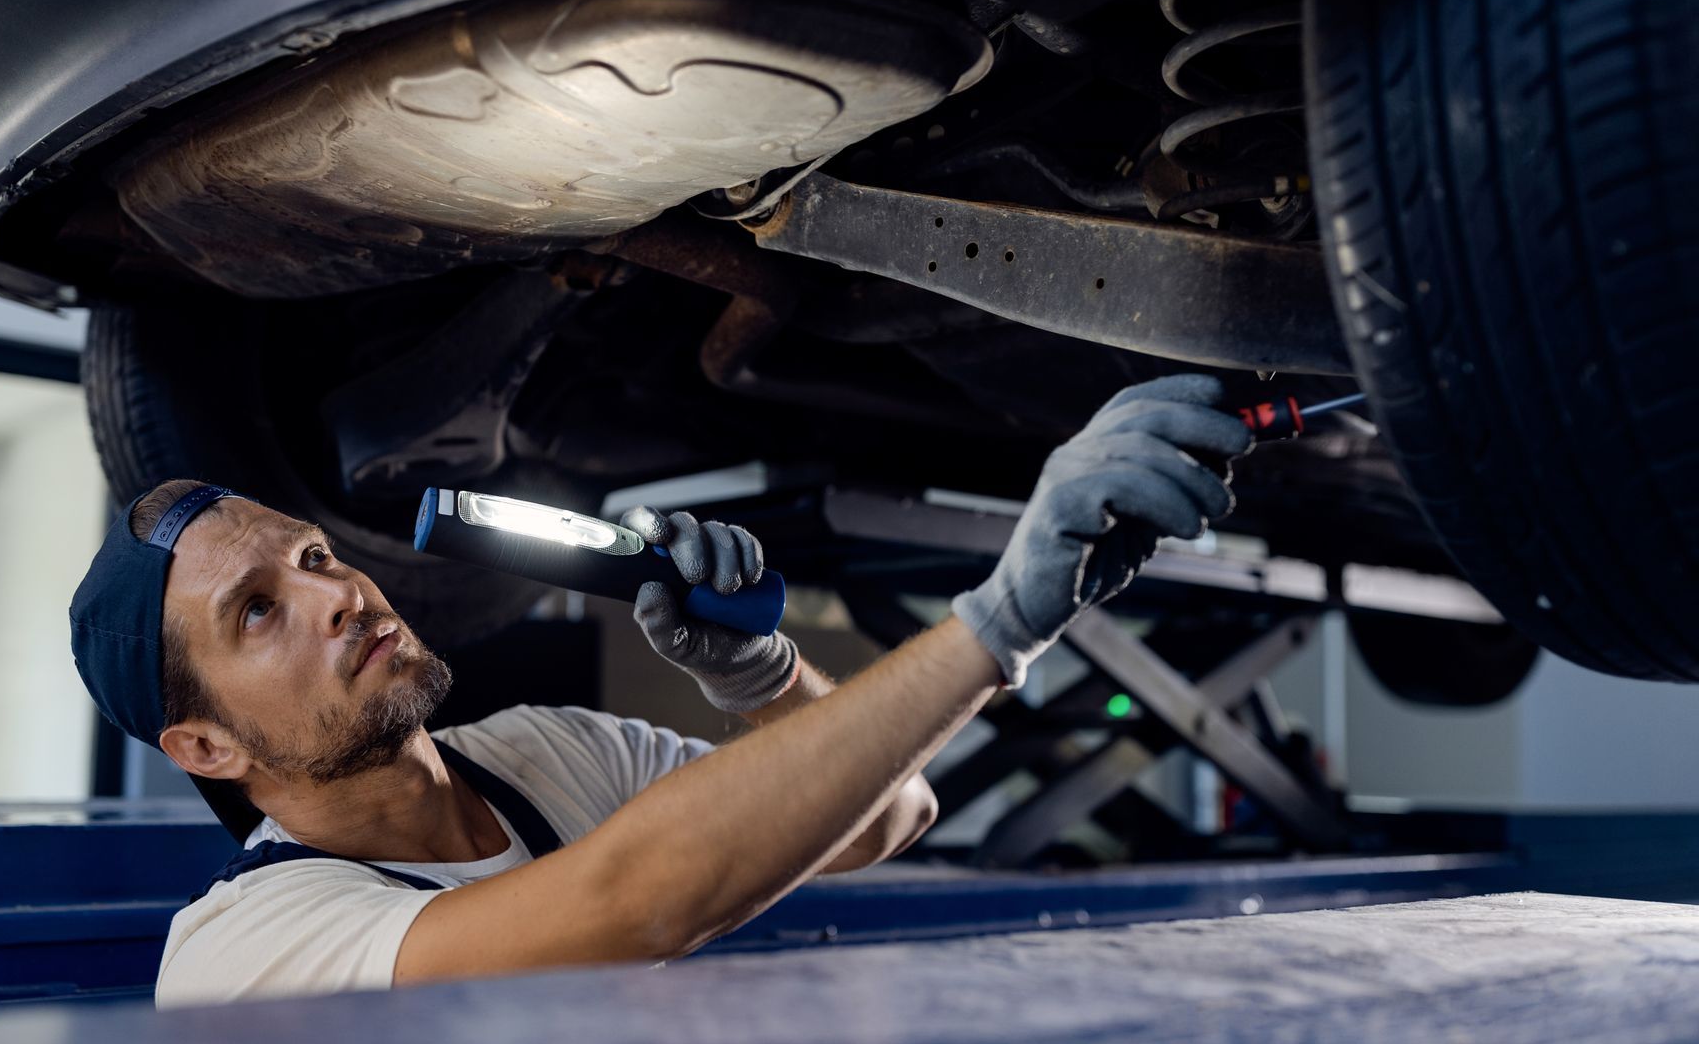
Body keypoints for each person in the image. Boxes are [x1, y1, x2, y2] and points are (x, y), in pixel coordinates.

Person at [68, 375, 1249, 1007]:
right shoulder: (237, 948)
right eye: (257, 610)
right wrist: (997, 622)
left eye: (316, 555)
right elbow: (641, 897)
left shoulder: (546, 751)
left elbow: (887, 816)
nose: (334, 593)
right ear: (205, 744)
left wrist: (759, 674)